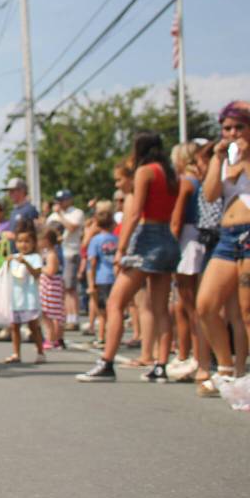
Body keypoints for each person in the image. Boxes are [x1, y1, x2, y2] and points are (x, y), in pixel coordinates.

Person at [77, 132, 179, 383]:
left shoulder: (145, 172)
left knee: (115, 303)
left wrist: (122, 250)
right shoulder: (170, 173)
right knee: (160, 308)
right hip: (167, 236)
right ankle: (161, 365)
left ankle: (107, 362)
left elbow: (134, 214)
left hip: (147, 237)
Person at [194, 104, 250, 396]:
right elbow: (211, 193)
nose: (232, 134)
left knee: (246, 310)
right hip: (228, 237)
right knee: (205, 304)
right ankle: (226, 368)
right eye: (227, 128)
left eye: (239, 127)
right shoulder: (226, 159)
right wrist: (217, 158)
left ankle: (242, 371)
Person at [168, 142, 203, 382]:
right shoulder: (200, 180)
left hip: (187, 242)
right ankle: (187, 354)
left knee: (191, 305)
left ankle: (199, 358)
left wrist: (170, 250)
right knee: (184, 304)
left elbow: (176, 221)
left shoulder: (186, 183)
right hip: (198, 240)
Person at [5, 225, 46, 364]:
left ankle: (40, 351)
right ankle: (16, 353)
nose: (23, 245)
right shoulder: (13, 258)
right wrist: (6, 263)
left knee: (33, 326)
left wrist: (26, 263)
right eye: (20, 241)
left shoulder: (35, 257)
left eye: (27, 241)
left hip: (29, 298)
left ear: (33, 243)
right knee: (14, 326)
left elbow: (37, 274)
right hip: (15, 298)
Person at [47, 190, 85, 330]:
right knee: (60, 287)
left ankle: (73, 318)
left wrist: (61, 215)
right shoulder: (52, 216)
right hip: (56, 254)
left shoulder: (76, 213)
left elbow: (72, 227)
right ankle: (64, 316)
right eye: (58, 201)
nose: (59, 203)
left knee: (70, 287)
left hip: (70, 252)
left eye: (62, 200)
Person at [85, 209, 117, 349]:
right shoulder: (117, 239)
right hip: (115, 278)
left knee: (102, 312)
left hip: (101, 278)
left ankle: (102, 337)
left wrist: (91, 283)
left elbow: (92, 262)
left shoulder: (95, 240)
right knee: (113, 310)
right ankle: (111, 337)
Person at [39, 227, 65, 350]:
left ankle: (53, 338)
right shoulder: (46, 253)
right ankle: (52, 337)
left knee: (52, 314)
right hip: (46, 286)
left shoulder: (52, 254)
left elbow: (51, 270)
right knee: (46, 313)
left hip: (52, 286)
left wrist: (39, 269)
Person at [2, 177, 39, 242]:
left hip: (26, 251)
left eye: (12, 191)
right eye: (9, 191)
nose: (9, 194)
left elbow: (36, 234)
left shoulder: (30, 209)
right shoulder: (13, 211)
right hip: (15, 251)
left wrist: (14, 237)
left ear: (22, 191)